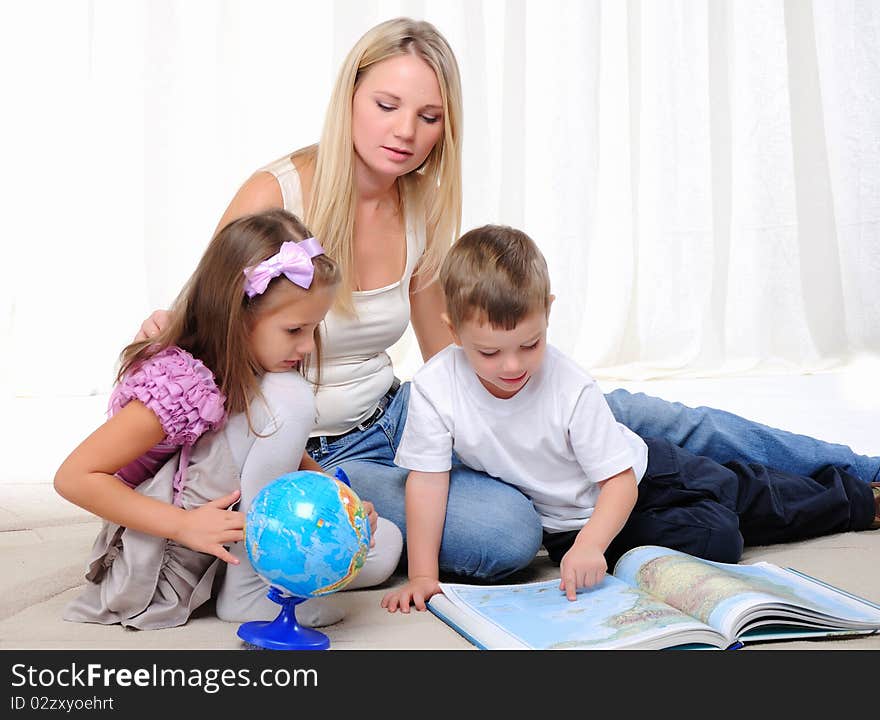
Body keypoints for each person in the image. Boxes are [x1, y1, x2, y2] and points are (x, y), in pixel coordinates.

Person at [138, 16, 880, 586]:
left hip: (393, 415)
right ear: (350, 97)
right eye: (388, 104)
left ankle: (861, 469)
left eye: (429, 117)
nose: (406, 132)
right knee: (504, 535)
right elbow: (204, 327)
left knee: (644, 417)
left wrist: (527, 404)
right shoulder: (278, 193)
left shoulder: (421, 206)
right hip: (316, 456)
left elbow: (447, 357)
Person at [380, 225, 880, 612]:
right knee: (720, 537)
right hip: (573, 527)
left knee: (746, 493)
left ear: (548, 312)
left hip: (648, 475)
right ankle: (738, 511)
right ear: (452, 329)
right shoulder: (434, 388)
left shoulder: (568, 386)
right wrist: (424, 575)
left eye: (529, 345)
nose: (512, 367)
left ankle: (860, 499)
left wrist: (592, 545)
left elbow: (619, 483)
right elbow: (427, 482)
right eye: (489, 352)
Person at [55, 209, 403, 631]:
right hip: (172, 546)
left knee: (383, 544)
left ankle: (261, 577)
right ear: (238, 317)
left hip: (225, 531)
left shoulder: (258, 366)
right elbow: (74, 476)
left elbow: (273, 453)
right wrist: (184, 525)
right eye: (294, 330)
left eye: (314, 329)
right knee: (289, 396)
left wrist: (337, 499)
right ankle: (253, 589)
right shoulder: (178, 384)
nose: (308, 346)